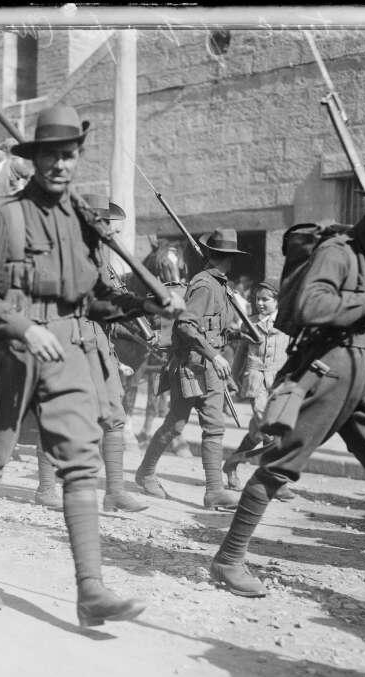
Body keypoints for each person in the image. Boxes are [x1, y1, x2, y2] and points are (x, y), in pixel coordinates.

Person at [0, 104, 185, 625]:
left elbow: (94, 300)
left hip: (68, 348)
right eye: (51, 156)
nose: (61, 165)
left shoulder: (82, 224)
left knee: (82, 461)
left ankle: (91, 590)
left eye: (70, 155)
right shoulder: (1, 217)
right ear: (33, 159)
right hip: (10, 345)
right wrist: (24, 328)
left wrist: (147, 305)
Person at [209, 165, 365, 602]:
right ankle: (229, 559)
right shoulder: (339, 251)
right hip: (327, 370)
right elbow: (312, 306)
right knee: (279, 467)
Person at [33, 195, 149, 514]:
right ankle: (45, 488)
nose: (115, 237)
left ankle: (114, 491)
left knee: (115, 416)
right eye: (111, 228)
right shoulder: (69, 256)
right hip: (70, 341)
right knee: (59, 414)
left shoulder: (103, 261)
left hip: (99, 345)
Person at [135, 229, 252, 509]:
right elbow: (186, 325)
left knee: (186, 424)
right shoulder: (205, 285)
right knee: (193, 426)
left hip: (204, 364)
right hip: (195, 366)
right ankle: (208, 489)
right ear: (229, 259)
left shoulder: (218, 284)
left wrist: (235, 337)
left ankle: (152, 474)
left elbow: (210, 327)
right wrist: (214, 355)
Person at [222, 279, 295, 500]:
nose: (260, 303)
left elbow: (293, 355)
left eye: (266, 299)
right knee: (269, 426)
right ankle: (275, 482)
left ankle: (231, 464)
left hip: (279, 383)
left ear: (278, 301)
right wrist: (231, 381)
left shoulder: (288, 324)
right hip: (256, 381)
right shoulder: (249, 323)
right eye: (258, 299)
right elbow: (240, 357)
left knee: (258, 431)